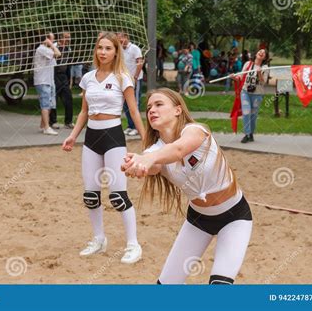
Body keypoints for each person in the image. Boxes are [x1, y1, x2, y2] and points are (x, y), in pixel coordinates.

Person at [121, 88, 252, 284]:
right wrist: (136, 165)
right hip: (198, 220)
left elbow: (179, 149)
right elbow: (153, 165)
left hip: (235, 217)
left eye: (158, 104)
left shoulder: (196, 130)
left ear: (178, 110)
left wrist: (146, 159)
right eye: (148, 108)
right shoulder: (154, 151)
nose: (151, 110)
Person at [62, 32, 145, 264]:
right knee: (91, 194)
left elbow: (134, 110)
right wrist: (72, 136)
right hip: (92, 137)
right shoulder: (88, 78)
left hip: (113, 136)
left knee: (118, 195)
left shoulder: (123, 77)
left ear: (116, 52)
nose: (103, 52)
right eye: (100, 48)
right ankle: (99, 239)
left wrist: (146, 138)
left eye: (108, 48)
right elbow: (83, 112)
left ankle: (133, 245)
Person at [230, 49, 269, 143]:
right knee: (246, 112)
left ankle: (251, 133)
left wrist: (259, 72)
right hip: (245, 92)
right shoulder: (248, 64)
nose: (261, 52)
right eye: (260, 51)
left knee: (253, 115)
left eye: (264, 53)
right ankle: (247, 134)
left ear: (265, 57)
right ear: (256, 53)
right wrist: (234, 77)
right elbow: (241, 76)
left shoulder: (265, 67)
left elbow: (263, 82)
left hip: (257, 94)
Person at [33, 32, 61, 135]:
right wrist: (52, 45)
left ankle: (43, 125)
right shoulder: (41, 49)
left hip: (49, 80)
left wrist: (51, 46)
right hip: (42, 81)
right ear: (46, 39)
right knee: (45, 104)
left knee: (49, 105)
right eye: (51, 39)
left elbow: (54, 61)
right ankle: (46, 127)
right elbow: (58, 54)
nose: (53, 41)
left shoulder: (47, 50)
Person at [118, 32, 144, 137]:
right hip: (124, 80)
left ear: (126, 37)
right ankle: (130, 126)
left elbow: (140, 63)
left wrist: (136, 77)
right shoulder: (119, 49)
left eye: (121, 38)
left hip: (134, 79)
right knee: (125, 105)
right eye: (117, 39)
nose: (119, 40)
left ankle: (136, 128)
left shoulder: (134, 48)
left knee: (134, 103)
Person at [50, 32, 74, 129]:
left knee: (68, 99)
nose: (68, 39)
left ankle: (68, 122)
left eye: (69, 37)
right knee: (53, 99)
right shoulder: (53, 47)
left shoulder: (69, 49)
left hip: (64, 76)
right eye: (66, 37)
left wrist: (70, 79)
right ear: (60, 38)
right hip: (54, 75)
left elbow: (69, 65)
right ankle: (53, 121)